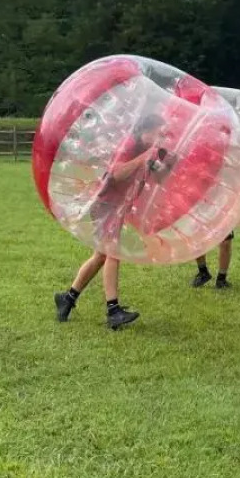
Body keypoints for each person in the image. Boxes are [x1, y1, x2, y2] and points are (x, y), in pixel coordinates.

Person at [55, 112, 172, 330]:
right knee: (112, 253)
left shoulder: (149, 150)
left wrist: (169, 164)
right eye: (158, 133)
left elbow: (159, 178)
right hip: (105, 206)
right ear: (145, 131)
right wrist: (146, 155)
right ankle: (113, 310)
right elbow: (117, 173)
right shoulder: (129, 144)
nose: (161, 137)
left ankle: (67, 298)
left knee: (101, 256)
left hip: (117, 208)